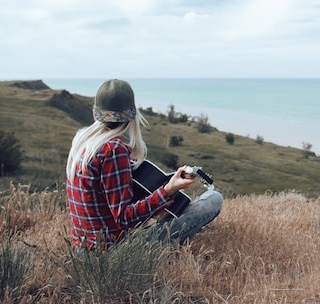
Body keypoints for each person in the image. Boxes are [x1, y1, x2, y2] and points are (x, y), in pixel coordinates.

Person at [66, 79, 223, 251]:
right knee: (213, 199)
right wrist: (167, 190)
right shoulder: (113, 150)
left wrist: (170, 182)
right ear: (131, 115)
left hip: (83, 249)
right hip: (111, 253)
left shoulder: (83, 142)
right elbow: (124, 218)